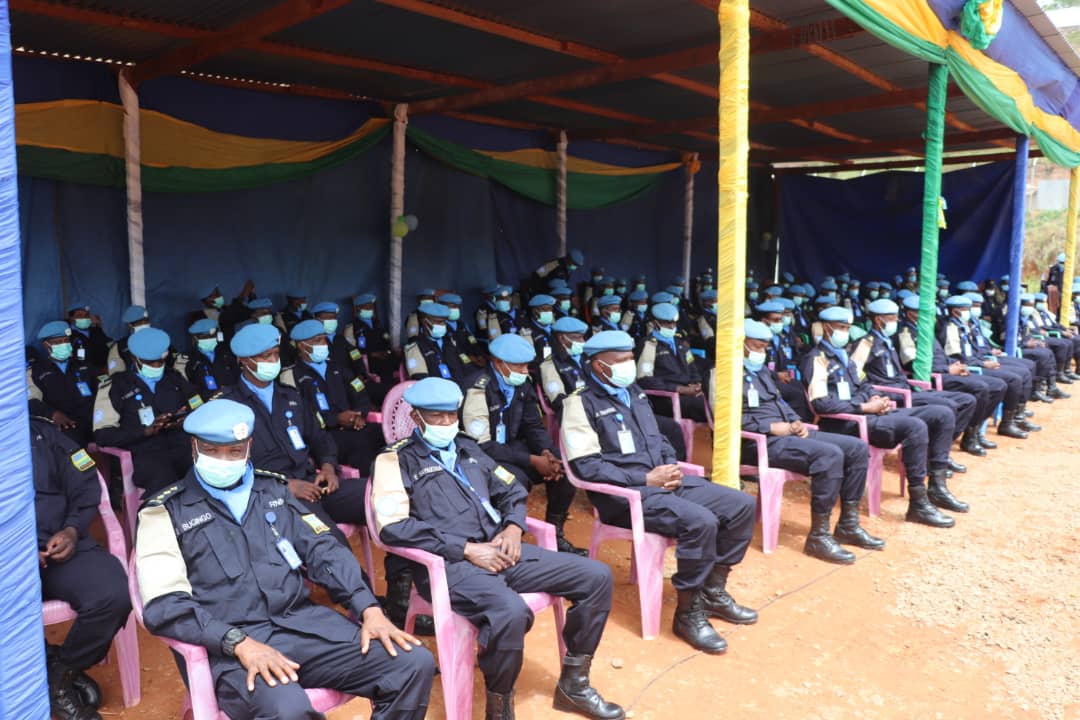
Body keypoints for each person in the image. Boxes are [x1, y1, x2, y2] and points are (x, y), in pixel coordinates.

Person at [136, 399, 434, 720]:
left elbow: (324, 550)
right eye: (212, 450)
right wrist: (237, 643)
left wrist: (369, 608)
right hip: (231, 648)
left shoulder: (274, 491)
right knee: (287, 709)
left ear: (249, 446)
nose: (224, 459)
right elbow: (164, 605)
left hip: (304, 627)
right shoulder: (165, 511)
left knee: (413, 663)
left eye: (234, 451)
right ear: (194, 448)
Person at [371, 378, 624, 720]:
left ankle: (574, 685)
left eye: (451, 415)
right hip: (450, 566)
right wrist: (465, 549)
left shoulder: (468, 448)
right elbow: (393, 527)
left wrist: (514, 527)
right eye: (436, 417)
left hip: (503, 549)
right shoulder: (394, 461)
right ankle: (499, 705)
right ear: (416, 418)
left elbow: (510, 490)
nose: (446, 423)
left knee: (595, 576)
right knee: (510, 612)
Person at [562, 331, 757, 654]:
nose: (629, 365)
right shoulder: (579, 404)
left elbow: (660, 439)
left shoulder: (634, 393)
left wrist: (669, 467)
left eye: (630, 358)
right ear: (599, 366)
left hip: (664, 484)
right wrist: (645, 478)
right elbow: (585, 467)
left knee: (741, 505)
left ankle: (713, 589)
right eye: (621, 361)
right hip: (625, 497)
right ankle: (688, 613)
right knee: (701, 522)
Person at [800, 306, 965, 525]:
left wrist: (877, 397)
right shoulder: (817, 359)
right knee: (915, 426)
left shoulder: (844, 357)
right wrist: (863, 408)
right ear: (827, 328)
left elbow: (864, 383)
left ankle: (938, 485)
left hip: (871, 414)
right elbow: (821, 404)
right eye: (841, 328)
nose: (845, 333)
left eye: (848, 328)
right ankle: (918, 502)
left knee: (941, 413)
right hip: (846, 424)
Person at [741, 320, 883, 564]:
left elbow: (780, 402)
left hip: (789, 434)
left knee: (856, 448)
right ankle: (819, 535)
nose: (761, 352)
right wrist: (770, 428)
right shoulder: (722, 373)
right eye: (757, 346)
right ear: (741, 345)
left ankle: (848, 523)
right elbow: (722, 417)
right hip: (759, 443)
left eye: (765, 347)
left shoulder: (761, 370)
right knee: (829, 456)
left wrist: (795, 421)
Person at [221, 323, 366, 548]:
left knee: (386, 496)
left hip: (314, 485)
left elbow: (321, 439)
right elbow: (226, 471)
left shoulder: (291, 397)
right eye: (265, 356)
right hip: (273, 497)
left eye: (275, 354)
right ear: (244, 361)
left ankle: (402, 573)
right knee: (332, 546)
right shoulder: (227, 406)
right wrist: (284, 486)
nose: (272, 361)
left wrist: (328, 467)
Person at [33, 414, 131, 720]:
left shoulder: (40, 432)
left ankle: (61, 673)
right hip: (8, 564)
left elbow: (84, 482)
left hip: (58, 545)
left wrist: (73, 529)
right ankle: (45, 669)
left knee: (113, 592)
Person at [461, 334, 585, 555]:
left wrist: (547, 454)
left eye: (527, 365)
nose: (525, 371)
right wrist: (532, 460)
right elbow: (481, 446)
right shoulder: (477, 389)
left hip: (512, 450)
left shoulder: (522, 385)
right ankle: (505, 538)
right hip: (479, 458)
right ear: (498, 363)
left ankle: (556, 535)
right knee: (514, 481)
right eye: (519, 366)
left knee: (565, 469)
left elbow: (533, 426)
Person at [857, 299, 982, 457]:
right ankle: (936, 455)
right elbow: (856, 376)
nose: (896, 322)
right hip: (894, 394)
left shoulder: (887, 341)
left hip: (908, 388)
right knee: (948, 406)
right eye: (892, 318)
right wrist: (871, 394)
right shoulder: (865, 344)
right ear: (878, 319)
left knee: (967, 400)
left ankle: (940, 448)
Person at [93, 328, 199, 493]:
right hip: (145, 454)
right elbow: (102, 435)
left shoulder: (174, 378)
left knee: (204, 470)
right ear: (135, 358)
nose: (157, 366)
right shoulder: (116, 386)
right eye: (150, 362)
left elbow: (197, 403)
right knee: (165, 480)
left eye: (160, 361)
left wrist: (186, 419)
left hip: (181, 446)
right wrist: (144, 432)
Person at [282, 319, 384, 472]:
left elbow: (360, 392)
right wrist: (335, 419)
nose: (324, 343)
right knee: (360, 444)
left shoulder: (337, 367)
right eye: (318, 340)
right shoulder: (291, 375)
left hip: (353, 425)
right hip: (324, 434)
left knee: (383, 433)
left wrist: (358, 415)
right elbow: (299, 413)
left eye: (324, 338)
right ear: (302, 346)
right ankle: (368, 486)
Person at [931, 295, 1032, 439]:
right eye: (967, 309)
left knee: (1022, 371)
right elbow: (957, 356)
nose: (971, 311)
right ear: (954, 311)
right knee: (1009, 380)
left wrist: (988, 354)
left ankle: (1010, 418)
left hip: (976, 361)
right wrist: (981, 363)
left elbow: (974, 348)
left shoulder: (966, 324)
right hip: (968, 366)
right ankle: (977, 431)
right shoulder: (950, 327)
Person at [636, 303, 709, 423]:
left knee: (719, 402)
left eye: (674, 322)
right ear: (655, 323)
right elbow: (645, 379)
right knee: (706, 407)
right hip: (665, 398)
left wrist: (697, 385)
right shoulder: (649, 345)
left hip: (687, 394)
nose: (671, 326)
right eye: (667, 323)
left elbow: (692, 368)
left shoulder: (679, 342)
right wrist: (679, 389)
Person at [32, 321, 99, 446]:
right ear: (46, 345)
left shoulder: (84, 365)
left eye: (66, 341)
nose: (64, 345)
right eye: (58, 342)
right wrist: (53, 414)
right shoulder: (36, 371)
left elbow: (102, 391)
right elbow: (31, 401)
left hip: (93, 421)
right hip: (65, 424)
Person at [403, 302, 470, 384]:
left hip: (462, 386)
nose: (443, 325)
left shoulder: (449, 339)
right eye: (439, 322)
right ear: (425, 321)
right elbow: (421, 380)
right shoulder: (414, 348)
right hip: (439, 392)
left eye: (445, 322)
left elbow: (463, 358)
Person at [345, 292, 398, 385]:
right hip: (367, 360)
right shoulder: (352, 328)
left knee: (396, 361)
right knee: (383, 368)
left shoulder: (378, 324)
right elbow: (351, 350)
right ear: (358, 308)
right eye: (367, 307)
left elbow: (386, 339)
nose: (370, 310)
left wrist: (388, 351)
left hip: (384, 355)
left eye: (371, 307)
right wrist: (371, 354)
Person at [184, 318, 240, 402]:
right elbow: (192, 390)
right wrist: (211, 396)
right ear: (195, 338)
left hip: (235, 398)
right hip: (211, 403)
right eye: (204, 337)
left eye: (212, 336)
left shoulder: (226, 353)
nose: (209, 339)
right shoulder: (190, 361)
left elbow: (239, 377)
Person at [105, 305, 153, 375]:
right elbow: (116, 375)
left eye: (146, 321)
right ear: (130, 325)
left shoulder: (160, 340)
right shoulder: (120, 347)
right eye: (139, 322)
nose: (144, 324)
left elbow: (173, 364)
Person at [66, 303, 111, 373]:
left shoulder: (95, 331)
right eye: (79, 316)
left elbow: (108, 345)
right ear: (71, 318)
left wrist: (99, 326)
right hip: (84, 374)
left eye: (86, 315)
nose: (84, 318)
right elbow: (75, 362)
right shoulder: (67, 336)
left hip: (105, 371)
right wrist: (99, 370)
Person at [520, 293, 557, 360]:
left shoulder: (556, 327)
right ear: (535, 311)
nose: (549, 312)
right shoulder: (527, 332)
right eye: (545, 309)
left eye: (550, 309)